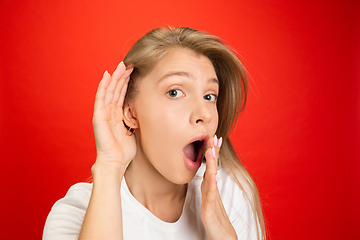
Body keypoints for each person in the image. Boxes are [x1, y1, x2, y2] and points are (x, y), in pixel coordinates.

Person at [43, 27, 265, 240]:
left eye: (209, 96)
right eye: (175, 92)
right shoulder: (76, 212)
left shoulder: (229, 194)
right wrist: (110, 165)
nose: (204, 114)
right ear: (131, 113)